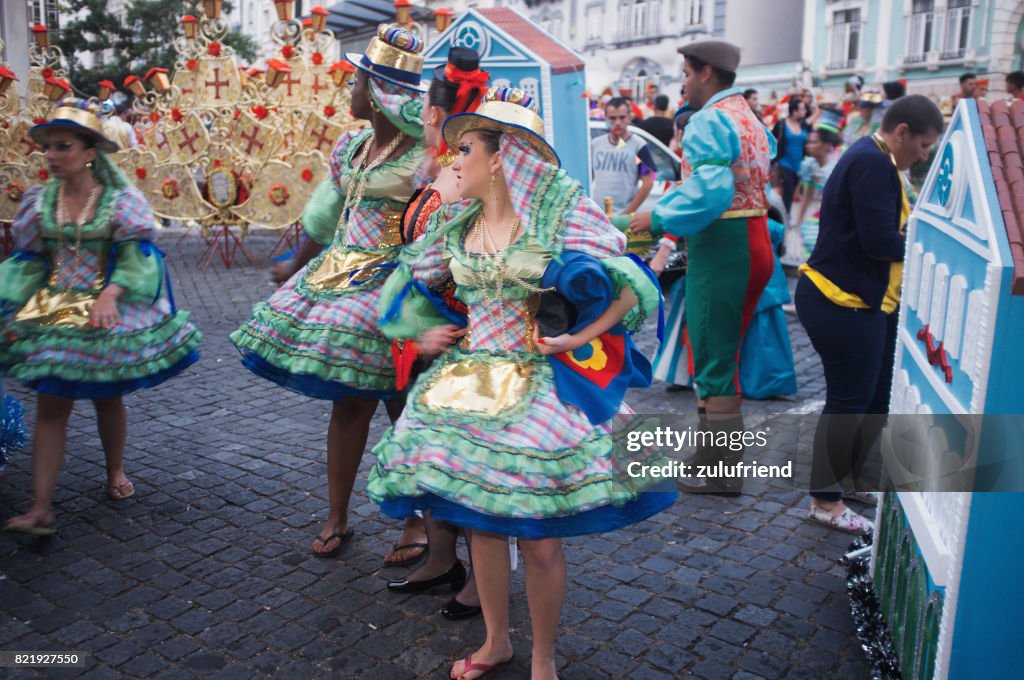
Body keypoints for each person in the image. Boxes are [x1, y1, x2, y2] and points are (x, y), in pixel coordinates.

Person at [368, 87, 673, 680]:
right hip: (467, 385)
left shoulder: (554, 218)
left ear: (501, 156)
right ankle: (496, 642)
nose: (453, 159)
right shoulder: (457, 221)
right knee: (480, 521)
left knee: (537, 536)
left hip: (537, 387)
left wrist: (569, 338)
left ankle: (543, 658)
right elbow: (405, 280)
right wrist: (418, 332)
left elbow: (633, 283)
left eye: (465, 149)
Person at [230, 25, 429, 559]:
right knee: (349, 404)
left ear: (378, 92)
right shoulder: (354, 144)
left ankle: (414, 522)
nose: (350, 92)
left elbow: (437, 226)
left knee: (404, 407)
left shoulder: (424, 157)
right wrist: (293, 267)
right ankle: (337, 514)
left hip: (395, 291)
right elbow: (324, 215)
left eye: (357, 83)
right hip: (339, 285)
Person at [0, 99, 201, 534]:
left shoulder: (117, 202)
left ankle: (114, 471)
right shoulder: (39, 202)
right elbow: (29, 260)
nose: (52, 155)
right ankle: (40, 506)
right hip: (53, 310)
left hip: (102, 308)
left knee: (108, 396)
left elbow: (139, 257)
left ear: (90, 152)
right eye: (49, 147)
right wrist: (14, 306)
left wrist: (111, 294)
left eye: (63, 146)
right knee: (52, 405)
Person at [629, 39, 776, 495]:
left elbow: (710, 191)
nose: (684, 84)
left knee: (712, 354)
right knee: (718, 351)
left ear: (707, 73)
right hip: (753, 239)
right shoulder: (745, 114)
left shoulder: (710, 119)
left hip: (723, 244)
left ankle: (722, 469)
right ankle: (714, 457)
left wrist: (657, 217)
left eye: (687, 75)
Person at [795, 95, 943, 533]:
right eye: (923, 145)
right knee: (848, 402)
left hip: (864, 300)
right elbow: (880, 242)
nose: (923, 155)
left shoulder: (874, 157)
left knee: (875, 398)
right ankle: (825, 500)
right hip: (840, 301)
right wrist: (925, 242)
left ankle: (849, 480)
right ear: (902, 133)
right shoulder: (873, 163)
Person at [384, 45, 487, 621]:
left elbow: (443, 262)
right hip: (422, 337)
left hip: (456, 341)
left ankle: (481, 577)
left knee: (463, 458)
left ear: (435, 114)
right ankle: (443, 558)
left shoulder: (459, 180)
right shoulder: (434, 174)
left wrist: (418, 322)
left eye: (425, 105)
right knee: (428, 454)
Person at [784, 110, 844, 266]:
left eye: (814, 142)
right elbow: (807, 195)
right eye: (809, 142)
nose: (809, 146)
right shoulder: (810, 165)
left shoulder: (836, 167)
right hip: (825, 214)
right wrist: (798, 222)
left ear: (827, 146)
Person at [591, 97, 656, 216]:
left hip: (623, 216)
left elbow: (648, 183)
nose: (617, 123)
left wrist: (627, 214)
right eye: (612, 118)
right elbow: (589, 177)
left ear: (629, 117)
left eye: (622, 117)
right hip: (597, 215)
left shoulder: (638, 146)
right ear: (605, 118)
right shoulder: (596, 144)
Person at [772, 96, 810, 212]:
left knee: (796, 193)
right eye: (802, 109)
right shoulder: (782, 124)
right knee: (787, 194)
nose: (805, 111)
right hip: (785, 164)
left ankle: (787, 216)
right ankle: (786, 218)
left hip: (800, 165)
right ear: (794, 111)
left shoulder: (803, 124)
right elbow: (771, 139)